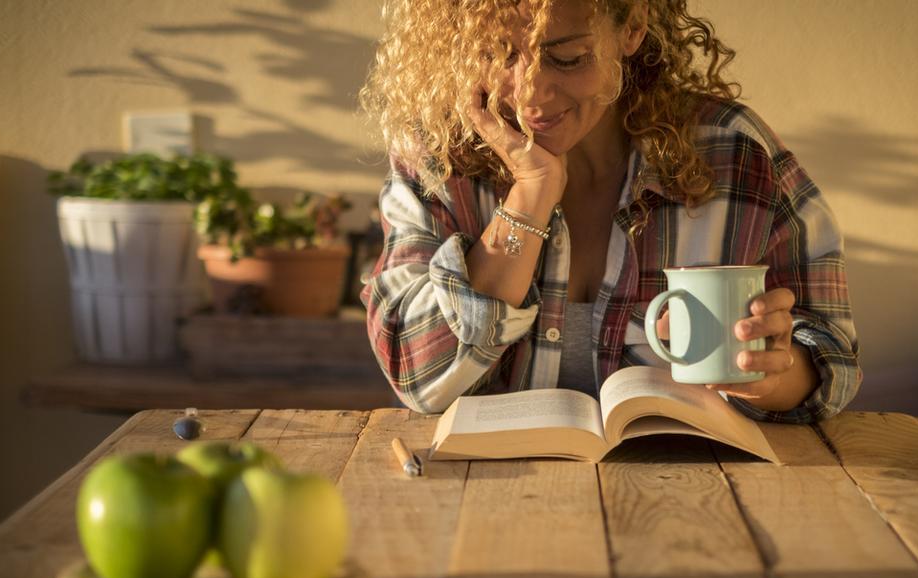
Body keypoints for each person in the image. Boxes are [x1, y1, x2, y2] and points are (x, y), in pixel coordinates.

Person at [358, 0, 860, 423]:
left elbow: (832, 353)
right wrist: (531, 196)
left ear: (633, 28)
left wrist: (774, 375)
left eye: (569, 57)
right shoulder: (438, 158)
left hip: (691, 502)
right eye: (499, 54)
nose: (531, 93)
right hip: (489, 507)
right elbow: (419, 373)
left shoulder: (734, 153)